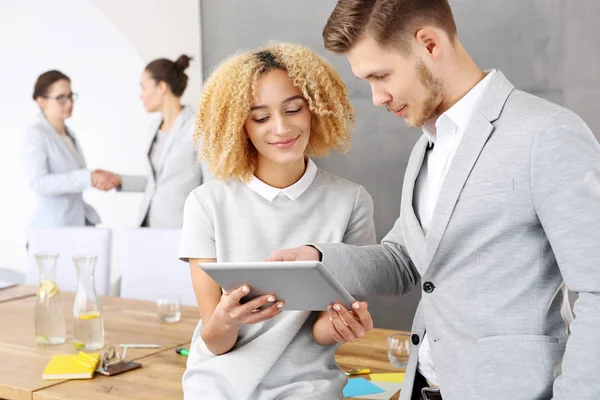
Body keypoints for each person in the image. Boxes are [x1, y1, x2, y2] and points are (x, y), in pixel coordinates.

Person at [268, 1, 600, 399]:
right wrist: (318, 260)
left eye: (381, 75)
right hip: (424, 388)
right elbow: (405, 258)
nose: (375, 97)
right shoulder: (428, 145)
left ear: (428, 43)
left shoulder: (546, 133)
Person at [178, 43, 377, 399]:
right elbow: (215, 340)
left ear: (315, 109)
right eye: (261, 117)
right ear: (240, 126)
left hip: (308, 390)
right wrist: (227, 319)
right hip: (220, 388)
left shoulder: (351, 202)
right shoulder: (207, 204)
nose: (282, 128)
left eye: (293, 109)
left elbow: (320, 331)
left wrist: (343, 324)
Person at [117, 55, 211, 228]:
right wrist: (119, 180)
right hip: (149, 226)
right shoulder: (154, 127)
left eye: (143, 87)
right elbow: (157, 182)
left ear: (161, 87)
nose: (141, 95)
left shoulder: (200, 127)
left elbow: (211, 186)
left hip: (182, 229)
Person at [22, 70, 120, 227]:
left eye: (70, 96)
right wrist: (88, 178)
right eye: (61, 98)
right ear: (42, 102)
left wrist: (95, 177)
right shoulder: (36, 134)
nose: (69, 103)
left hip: (76, 223)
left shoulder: (69, 134)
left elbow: (75, 177)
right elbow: (38, 182)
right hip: (52, 227)